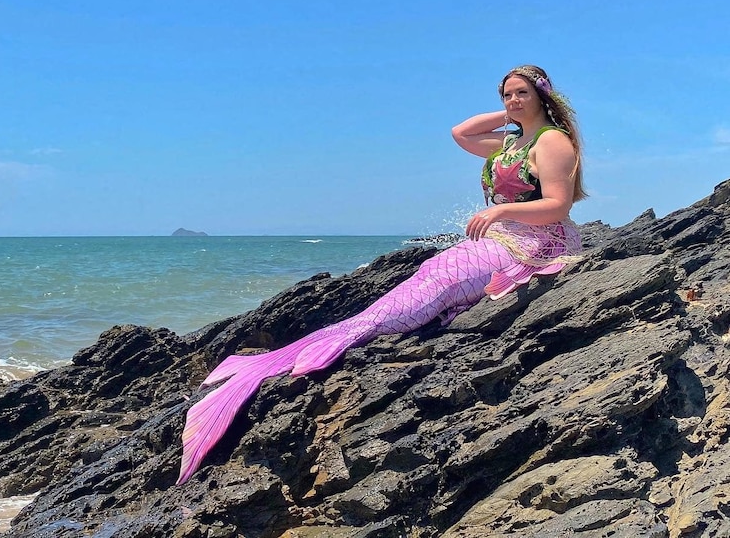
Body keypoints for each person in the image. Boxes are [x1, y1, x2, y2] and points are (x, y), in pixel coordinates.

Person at [177, 65, 585, 484]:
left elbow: (558, 205)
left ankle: (350, 335)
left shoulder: (552, 141)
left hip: (535, 242)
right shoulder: (510, 141)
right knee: (433, 269)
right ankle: (340, 335)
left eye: (521, 94)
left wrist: (500, 209)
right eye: (506, 95)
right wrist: (511, 116)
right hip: (500, 236)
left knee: (443, 282)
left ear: (542, 95)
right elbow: (460, 133)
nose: (512, 101)